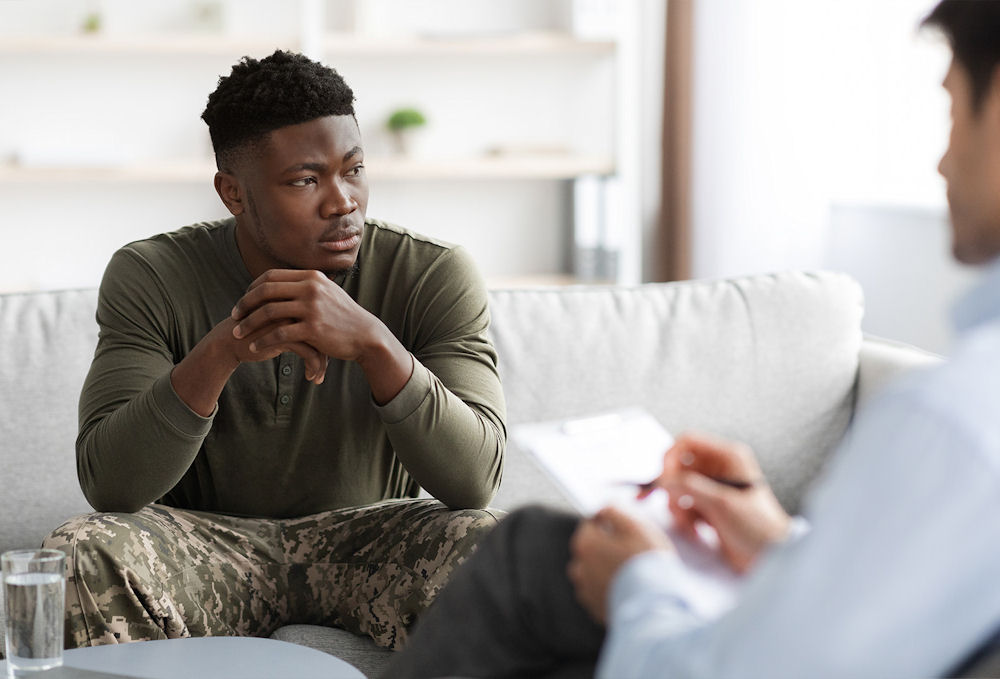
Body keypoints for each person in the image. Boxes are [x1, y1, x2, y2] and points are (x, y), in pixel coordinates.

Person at [382, 2, 1000, 677]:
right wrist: (774, 541)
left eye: (953, 110)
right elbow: (881, 607)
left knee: (531, 556)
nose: (943, 162)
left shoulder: (950, 419)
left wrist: (638, 581)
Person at [41, 50, 506, 651]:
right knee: (81, 551)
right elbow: (112, 487)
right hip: (205, 545)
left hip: (371, 540)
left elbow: (475, 482)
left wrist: (374, 343)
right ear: (233, 193)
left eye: (355, 169)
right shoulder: (150, 273)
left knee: (490, 544)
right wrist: (232, 341)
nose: (343, 202)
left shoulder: (431, 273)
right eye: (305, 180)